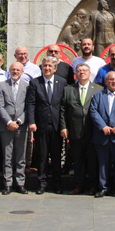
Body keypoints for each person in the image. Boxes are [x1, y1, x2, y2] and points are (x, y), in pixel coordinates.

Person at [60, 63, 103, 194]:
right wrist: (64, 127)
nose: (82, 72)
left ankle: (93, 185)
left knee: (92, 160)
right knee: (77, 159)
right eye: (79, 70)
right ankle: (79, 185)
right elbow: (63, 110)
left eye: (84, 70)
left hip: (93, 131)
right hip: (75, 130)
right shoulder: (68, 90)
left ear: (90, 73)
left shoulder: (98, 89)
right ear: (76, 74)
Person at [27, 57, 67, 193]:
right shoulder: (34, 83)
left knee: (56, 156)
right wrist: (31, 122)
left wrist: (64, 126)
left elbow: (63, 105)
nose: (47, 68)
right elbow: (31, 104)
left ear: (55, 68)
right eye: (45, 66)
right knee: (42, 156)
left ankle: (57, 184)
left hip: (56, 125)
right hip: (41, 124)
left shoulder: (62, 82)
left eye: (50, 66)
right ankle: (42, 183)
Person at [0, 61, 30, 194]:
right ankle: (7, 183)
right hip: (6, 126)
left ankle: (20, 183)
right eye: (13, 69)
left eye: (18, 70)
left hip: (21, 126)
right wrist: (9, 122)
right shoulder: (1, 85)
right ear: (9, 71)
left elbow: (29, 107)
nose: (15, 72)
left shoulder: (27, 86)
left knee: (21, 156)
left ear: (22, 72)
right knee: (7, 156)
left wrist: (20, 121)